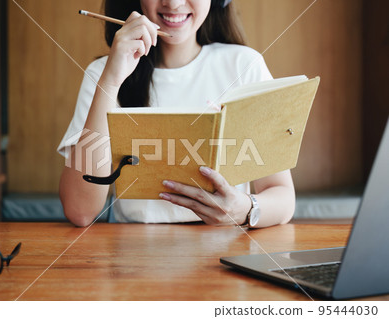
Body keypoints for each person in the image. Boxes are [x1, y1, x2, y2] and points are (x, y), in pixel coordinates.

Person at [57, 0, 295, 227]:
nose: (173, 3)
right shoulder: (103, 73)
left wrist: (243, 209)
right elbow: (80, 211)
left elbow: (283, 198)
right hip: (131, 254)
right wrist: (109, 82)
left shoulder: (244, 66)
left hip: (224, 252)